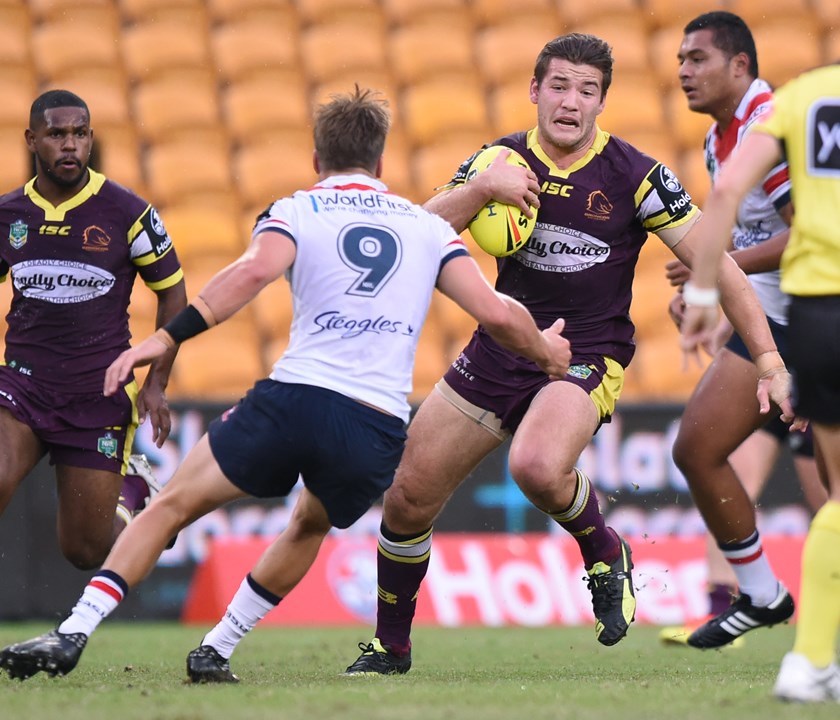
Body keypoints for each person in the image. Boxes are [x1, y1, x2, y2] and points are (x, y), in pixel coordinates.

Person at [0, 86, 571, 683]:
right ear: (381, 162)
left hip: (293, 401)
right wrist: (547, 352)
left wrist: (166, 339)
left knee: (170, 506)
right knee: (309, 524)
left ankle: (73, 632)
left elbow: (250, 274)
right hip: (374, 426)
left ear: (317, 159)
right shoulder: (424, 228)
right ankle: (217, 649)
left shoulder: (297, 209)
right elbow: (498, 313)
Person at [341, 32, 796, 677]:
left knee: (535, 465)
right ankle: (390, 647)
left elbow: (720, 268)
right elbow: (413, 234)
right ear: (534, 91)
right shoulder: (497, 160)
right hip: (503, 348)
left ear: (602, 101)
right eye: (558, 86)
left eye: (587, 91)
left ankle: (602, 547)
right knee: (408, 497)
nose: (570, 102)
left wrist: (772, 363)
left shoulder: (636, 176)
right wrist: (482, 191)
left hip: (587, 350)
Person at [657, 12, 828, 648]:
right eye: (680, 58)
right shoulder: (717, 139)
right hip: (769, 324)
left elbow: (807, 233)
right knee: (696, 448)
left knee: (829, 496)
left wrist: (717, 266)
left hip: (813, 321)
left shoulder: (771, 126)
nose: (682, 71)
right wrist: (708, 292)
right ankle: (760, 595)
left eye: (697, 58)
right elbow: (742, 240)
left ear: (739, 66)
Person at [0, 90, 185, 576]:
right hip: (20, 384)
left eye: (79, 134)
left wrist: (157, 382)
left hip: (95, 391)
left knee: (86, 550)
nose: (69, 145)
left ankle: (137, 491)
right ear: (32, 139)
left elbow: (174, 294)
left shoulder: (128, 213)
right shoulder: (8, 215)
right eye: (57, 134)